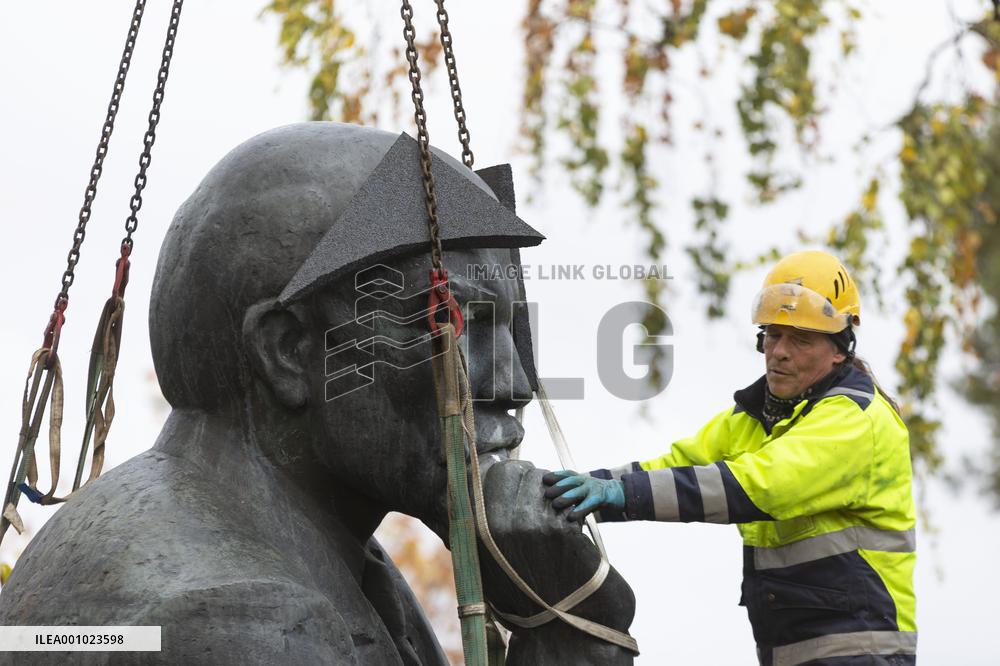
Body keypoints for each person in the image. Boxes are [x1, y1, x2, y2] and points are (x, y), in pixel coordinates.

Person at [0, 123, 636, 665]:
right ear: (289, 350)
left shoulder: (337, 565)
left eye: (511, 329)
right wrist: (569, 631)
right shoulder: (242, 621)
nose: (514, 384)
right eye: (453, 325)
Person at [543, 250, 917, 666]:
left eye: (800, 339)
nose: (780, 351)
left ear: (839, 350)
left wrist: (621, 494)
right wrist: (575, 489)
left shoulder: (855, 419)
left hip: (862, 655)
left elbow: (762, 485)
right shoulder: (755, 418)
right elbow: (676, 466)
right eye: (772, 334)